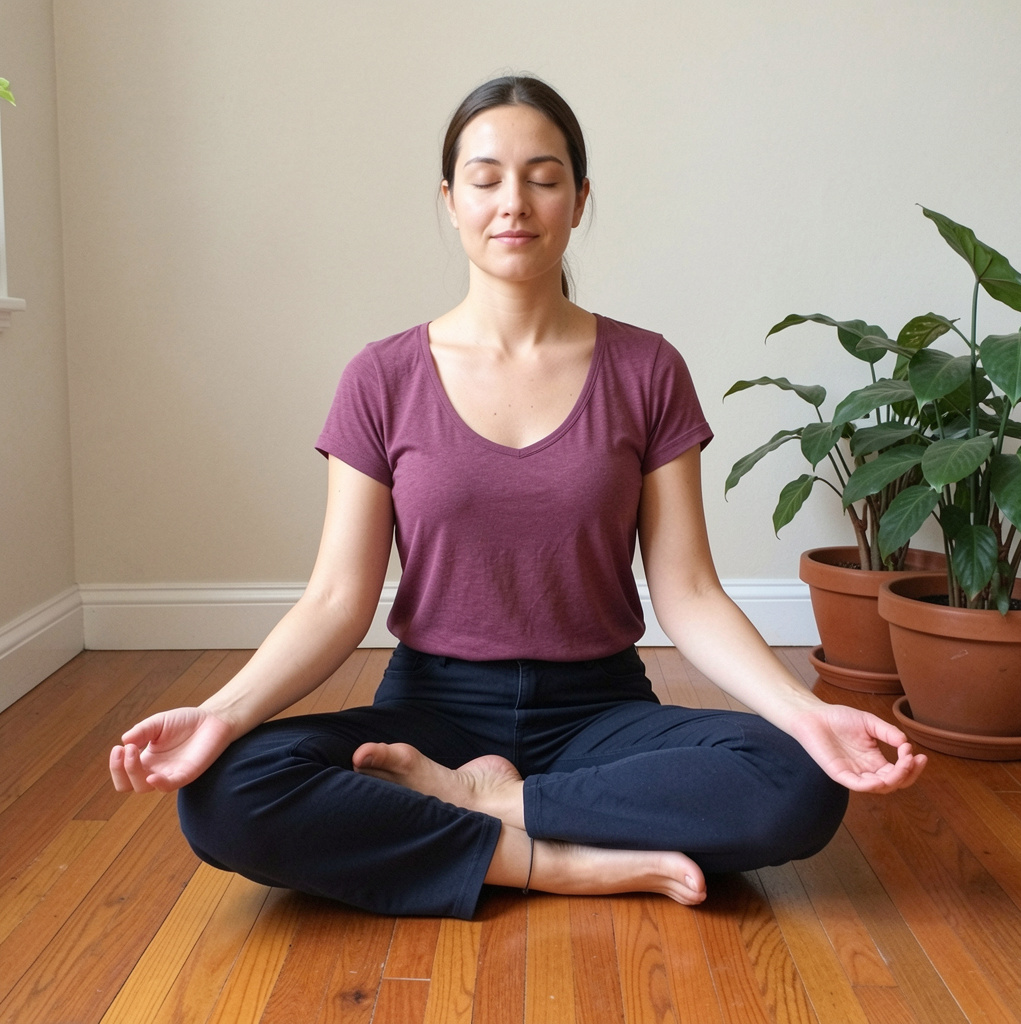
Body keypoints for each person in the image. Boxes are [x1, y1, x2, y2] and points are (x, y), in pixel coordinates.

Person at [109, 75, 926, 919]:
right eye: (486, 177)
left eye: (543, 177)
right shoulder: (381, 377)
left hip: (598, 712)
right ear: (450, 200)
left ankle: (485, 810)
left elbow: (686, 591)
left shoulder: (646, 369)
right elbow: (335, 599)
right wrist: (218, 713)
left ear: (578, 199)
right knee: (224, 792)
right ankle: (561, 861)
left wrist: (808, 714)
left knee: (798, 782)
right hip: (431, 713)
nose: (514, 202)